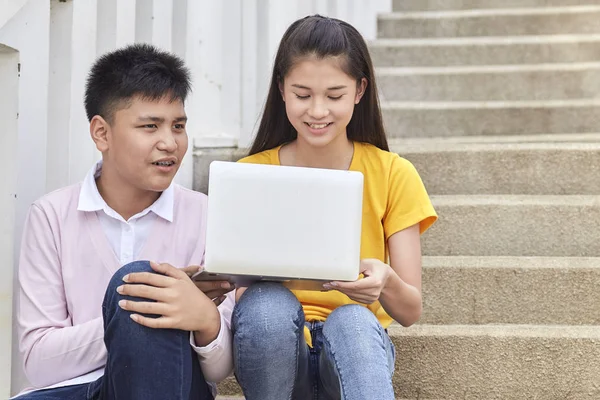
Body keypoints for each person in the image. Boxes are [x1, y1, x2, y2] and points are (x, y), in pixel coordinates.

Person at [232, 15, 438, 400]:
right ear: (281, 89)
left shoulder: (393, 173)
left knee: (353, 321)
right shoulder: (250, 174)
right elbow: (241, 303)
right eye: (303, 94)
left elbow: (410, 311)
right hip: (274, 352)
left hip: (352, 352)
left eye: (334, 95)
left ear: (360, 91)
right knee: (267, 305)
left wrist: (385, 282)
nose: (318, 111)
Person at [15, 44, 234, 400]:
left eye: (178, 126)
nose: (170, 142)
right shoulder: (51, 215)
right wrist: (143, 314)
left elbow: (220, 371)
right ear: (102, 133)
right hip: (79, 391)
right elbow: (39, 361)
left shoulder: (208, 215)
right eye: (150, 126)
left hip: (173, 385)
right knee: (141, 290)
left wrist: (204, 320)